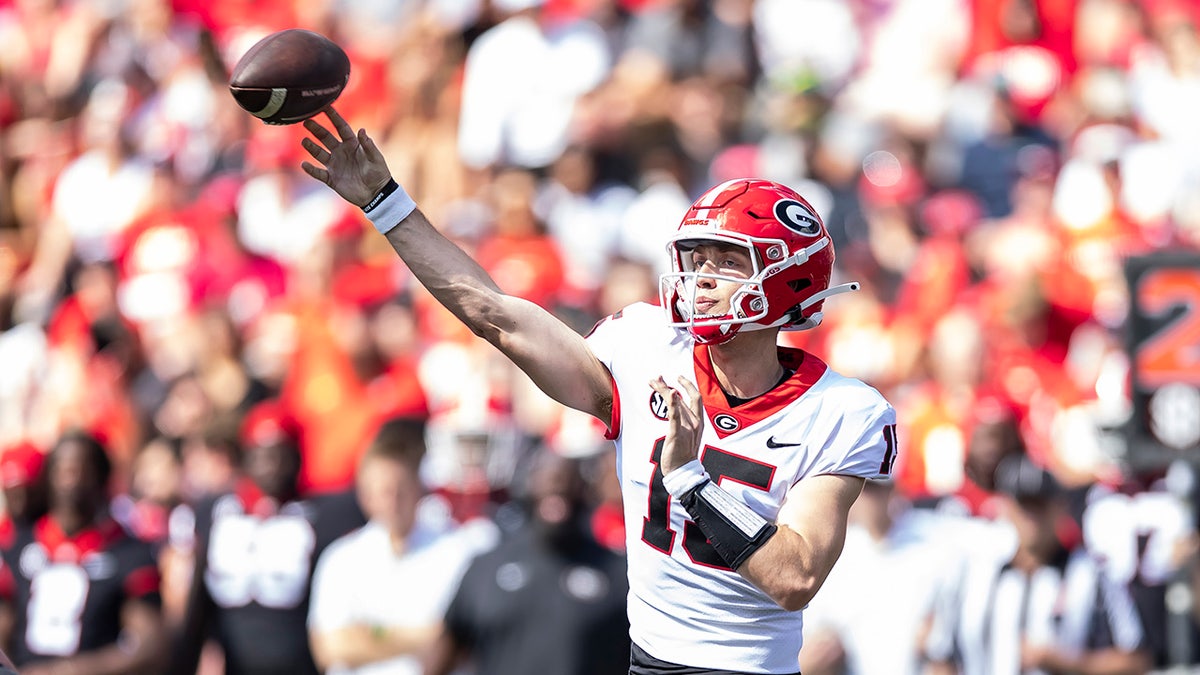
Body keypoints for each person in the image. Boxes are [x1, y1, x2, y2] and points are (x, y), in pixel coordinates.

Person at [300, 108, 897, 674]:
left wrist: (689, 477)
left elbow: (794, 578)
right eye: (696, 257)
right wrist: (387, 205)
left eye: (726, 260)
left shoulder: (841, 410)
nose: (701, 277)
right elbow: (494, 315)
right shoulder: (645, 348)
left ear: (789, 275)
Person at [171, 399, 364, 675]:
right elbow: (197, 607)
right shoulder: (216, 511)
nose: (272, 465)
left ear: (298, 456)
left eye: (281, 454)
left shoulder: (327, 513)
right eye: (263, 454)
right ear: (246, 457)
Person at [925, 454, 1151, 675]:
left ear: (1059, 508)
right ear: (1006, 509)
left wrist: (1067, 663)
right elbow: (942, 656)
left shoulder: (1090, 574)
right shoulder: (975, 576)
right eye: (1023, 506)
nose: (1031, 517)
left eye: (1039, 506)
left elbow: (1135, 660)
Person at [307, 417, 494, 675]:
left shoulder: (457, 552)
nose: (392, 502)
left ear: (418, 488)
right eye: (383, 491)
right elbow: (329, 648)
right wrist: (421, 636)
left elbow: (459, 642)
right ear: (364, 494)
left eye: (400, 490)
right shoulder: (341, 558)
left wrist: (370, 634)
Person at [426, 448, 630, 675]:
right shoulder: (486, 566)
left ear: (585, 490)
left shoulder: (618, 573)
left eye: (568, 476)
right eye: (546, 473)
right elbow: (447, 648)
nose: (557, 479)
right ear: (528, 483)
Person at [0, 431, 167, 674]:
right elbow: (4, 624)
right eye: (64, 471)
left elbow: (150, 646)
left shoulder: (129, 553)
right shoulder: (19, 546)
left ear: (101, 479)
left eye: (81, 471)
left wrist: (66, 671)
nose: (71, 481)